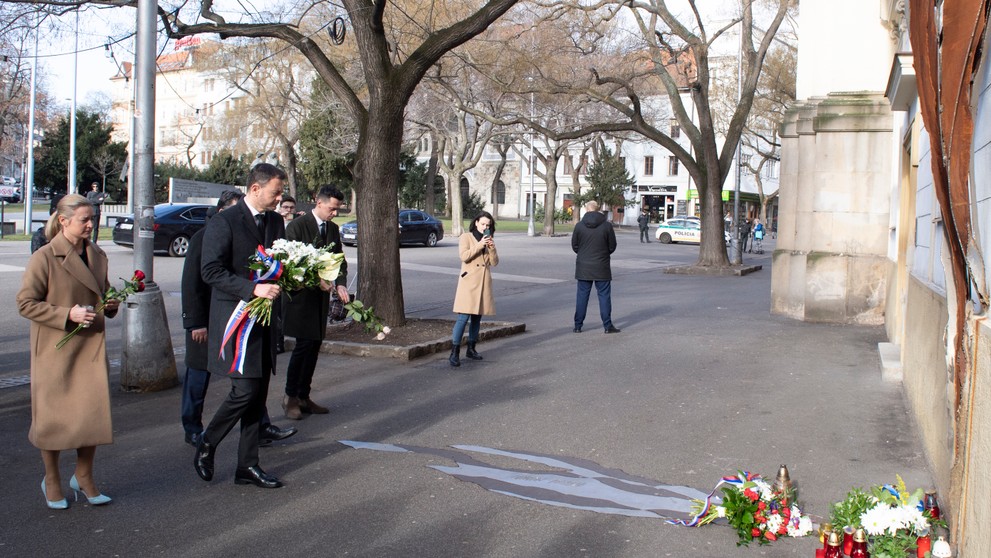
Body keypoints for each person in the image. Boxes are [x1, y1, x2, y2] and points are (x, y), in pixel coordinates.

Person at [16, 194, 121, 509]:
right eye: (84, 220)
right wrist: (67, 315)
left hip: (89, 348)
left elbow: (101, 290)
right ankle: (52, 480)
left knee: (91, 417)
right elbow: (25, 303)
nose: (91, 225)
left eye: (93, 219)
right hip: (55, 350)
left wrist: (111, 302)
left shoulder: (98, 254)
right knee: (54, 420)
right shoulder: (45, 257)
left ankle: (84, 477)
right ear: (63, 221)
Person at [194, 163, 288, 489]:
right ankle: (208, 440)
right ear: (255, 189)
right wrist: (252, 289)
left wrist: (304, 276)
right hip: (235, 320)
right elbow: (211, 271)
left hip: (263, 321)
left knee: (257, 393)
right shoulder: (225, 221)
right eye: (276, 192)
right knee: (244, 390)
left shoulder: (276, 221)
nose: (280, 199)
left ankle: (247, 466)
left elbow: (280, 262)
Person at [179, 190, 297, 446]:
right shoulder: (205, 236)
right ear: (222, 211)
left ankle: (259, 429)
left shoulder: (266, 224)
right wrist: (195, 322)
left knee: (250, 382)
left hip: (246, 314)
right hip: (213, 318)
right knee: (200, 377)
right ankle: (194, 429)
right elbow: (192, 282)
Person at [282, 185, 349, 418]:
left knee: (314, 347)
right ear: (318, 203)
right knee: (302, 347)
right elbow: (291, 265)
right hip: (301, 299)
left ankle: (304, 395)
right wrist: (316, 280)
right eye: (332, 208)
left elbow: (339, 259)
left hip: (320, 300)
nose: (335, 213)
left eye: (337, 209)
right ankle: (290, 397)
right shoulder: (297, 227)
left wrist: (340, 282)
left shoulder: (332, 229)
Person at [449, 211, 499, 367]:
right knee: (463, 318)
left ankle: (471, 348)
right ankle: (454, 352)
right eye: (483, 224)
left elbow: (495, 262)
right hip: (469, 283)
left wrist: (491, 248)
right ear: (476, 223)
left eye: (488, 225)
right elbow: (464, 256)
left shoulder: (489, 239)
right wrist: (479, 245)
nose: (485, 227)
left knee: (477, 318)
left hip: (483, 283)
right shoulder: (466, 237)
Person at [572, 200, 620, 334]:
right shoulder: (606, 226)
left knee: (582, 296)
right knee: (604, 296)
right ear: (598, 209)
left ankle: (578, 325)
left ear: (587, 210)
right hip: (602, 266)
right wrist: (604, 254)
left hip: (583, 266)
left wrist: (583, 254)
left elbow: (575, 246)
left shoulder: (579, 226)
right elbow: (612, 246)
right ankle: (607, 325)